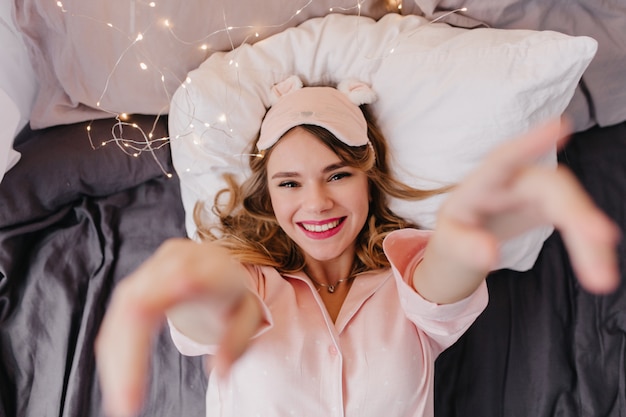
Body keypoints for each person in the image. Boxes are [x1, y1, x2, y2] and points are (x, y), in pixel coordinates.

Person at [95, 77, 620, 417]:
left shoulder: (406, 281)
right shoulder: (251, 283)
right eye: (289, 183)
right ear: (267, 194)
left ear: (369, 176)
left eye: (337, 174)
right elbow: (215, 303)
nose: (316, 203)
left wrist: (468, 232)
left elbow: (449, 268)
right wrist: (194, 278)